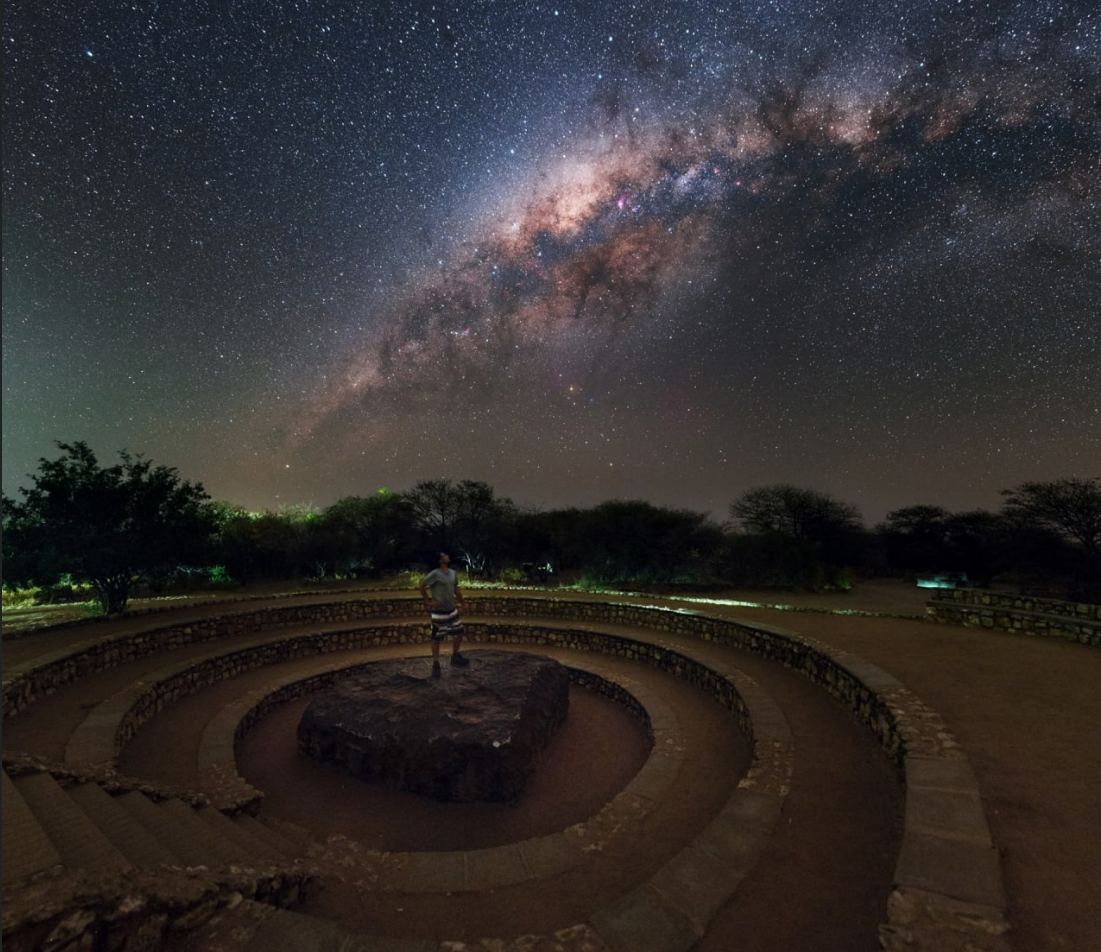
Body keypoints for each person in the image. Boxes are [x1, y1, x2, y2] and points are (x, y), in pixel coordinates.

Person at [419, 552, 468, 676]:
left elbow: (456, 589)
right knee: (436, 638)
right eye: (444, 555)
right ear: (440, 560)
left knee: (459, 632)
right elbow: (422, 586)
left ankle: (455, 655)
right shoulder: (435, 574)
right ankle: (436, 664)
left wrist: (463, 602)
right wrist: (428, 601)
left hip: (452, 610)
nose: (447, 556)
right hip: (438, 612)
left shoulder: (452, 573)